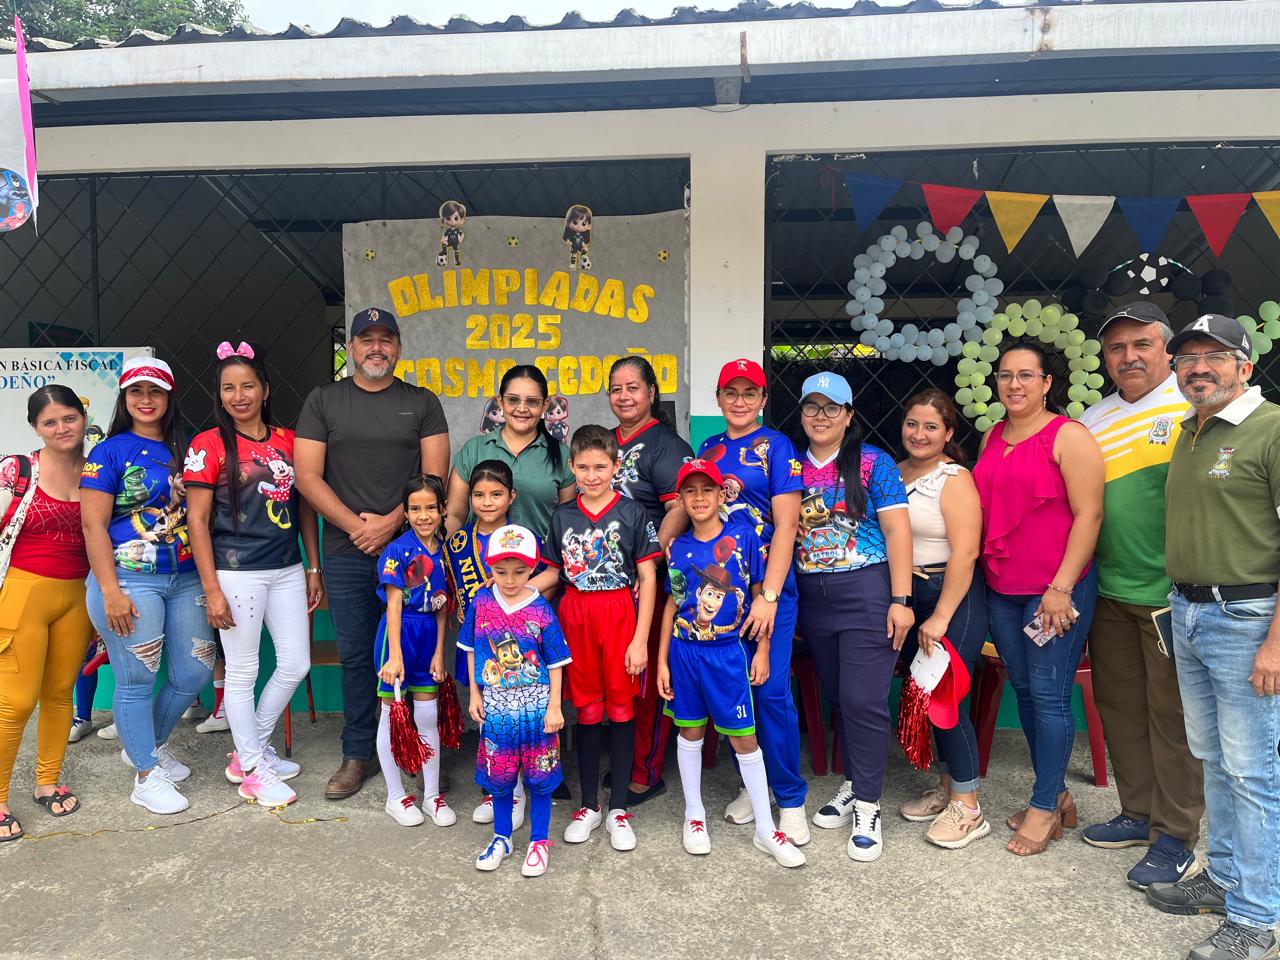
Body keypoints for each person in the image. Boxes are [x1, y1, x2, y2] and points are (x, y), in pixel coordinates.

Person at [1147, 313, 1280, 960]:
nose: (1198, 368)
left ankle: (1255, 918)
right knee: (1216, 760)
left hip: (1247, 619)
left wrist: (1276, 644)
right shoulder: (1190, 429)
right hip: (1191, 613)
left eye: (1215, 356)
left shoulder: (1272, 429)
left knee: (1253, 771)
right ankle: (1224, 880)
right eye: (1187, 358)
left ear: (1245, 366)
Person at [295, 307, 449, 801]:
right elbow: (306, 476)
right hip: (346, 551)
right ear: (352, 348)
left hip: (412, 551)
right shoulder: (324, 400)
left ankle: (419, 754)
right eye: (366, 339)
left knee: (417, 649)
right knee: (359, 655)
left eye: (386, 339)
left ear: (399, 347)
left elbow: (435, 478)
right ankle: (357, 753)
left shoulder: (422, 402)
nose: (376, 347)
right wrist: (356, 526)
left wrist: (389, 523)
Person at [1077, 303, 1204, 889]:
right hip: (1109, 590)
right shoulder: (1093, 419)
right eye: (1116, 348)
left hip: (1170, 596)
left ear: (1167, 351)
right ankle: (1137, 812)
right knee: (1121, 709)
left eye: (1141, 345)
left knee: (1172, 719)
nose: (1128, 357)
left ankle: (1175, 836)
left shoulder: (1193, 408)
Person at [972, 342, 1104, 857]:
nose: (1014, 384)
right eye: (1006, 375)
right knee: (1026, 691)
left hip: (1055, 591)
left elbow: (1090, 515)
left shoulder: (1069, 436)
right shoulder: (991, 436)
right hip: (1003, 588)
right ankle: (1058, 793)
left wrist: (1061, 587)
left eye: (1026, 375)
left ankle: (1044, 806)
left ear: (1048, 383)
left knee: (1049, 695)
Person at [184, 342, 324, 809]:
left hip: (286, 568)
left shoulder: (290, 440)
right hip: (236, 572)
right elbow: (196, 522)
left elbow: (305, 507)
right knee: (243, 671)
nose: (238, 396)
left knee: (295, 663)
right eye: (228, 388)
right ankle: (252, 770)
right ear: (219, 394)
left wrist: (312, 565)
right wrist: (211, 589)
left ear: (265, 389)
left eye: (247, 386)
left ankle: (250, 752)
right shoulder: (207, 445)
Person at [81, 358, 215, 815]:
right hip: (128, 578)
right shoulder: (108, 452)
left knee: (193, 674)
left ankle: (145, 748)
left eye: (155, 391)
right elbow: (93, 526)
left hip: (186, 577)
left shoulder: (187, 448)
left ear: (169, 397)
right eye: (136, 391)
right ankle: (145, 775)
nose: (146, 399)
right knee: (137, 678)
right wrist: (110, 590)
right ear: (124, 399)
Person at [657, 458, 805, 868]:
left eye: (707, 489)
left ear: (721, 494)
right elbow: (672, 605)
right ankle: (694, 815)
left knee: (744, 738)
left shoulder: (744, 537)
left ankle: (765, 829)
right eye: (690, 491)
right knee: (690, 732)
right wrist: (662, 662)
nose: (699, 497)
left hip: (728, 653)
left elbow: (759, 596)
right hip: (685, 654)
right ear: (681, 499)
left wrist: (762, 650)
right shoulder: (678, 548)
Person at [791, 371, 914, 861]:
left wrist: (901, 600)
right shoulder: (790, 464)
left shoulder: (873, 462)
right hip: (812, 595)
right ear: (802, 412)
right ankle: (853, 783)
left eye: (831, 408)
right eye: (812, 407)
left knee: (864, 700)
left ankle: (868, 805)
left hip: (865, 591)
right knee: (840, 696)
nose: (820, 417)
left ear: (848, 415)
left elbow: (898, 532)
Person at [694, 359, 808, 842]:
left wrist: (771, 597)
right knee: (734, 690)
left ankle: (791, 796)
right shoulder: (708, 447)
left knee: (771, 691)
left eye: (749, 393)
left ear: (762, 399)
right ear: (718, 398)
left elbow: (787, 525)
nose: (739, 401)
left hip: (767, 589)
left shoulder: (778, 447)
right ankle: (753, 784)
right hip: (722, 590)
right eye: (730, 392)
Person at [533, 424, 659, 852]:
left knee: (621, 708)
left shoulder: (633, 513)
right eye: (583, 467)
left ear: (615, 466)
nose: (591, 476)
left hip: (619, 613)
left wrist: (640, 639)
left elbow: (647, 576)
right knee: (587, 711)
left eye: (600, 467)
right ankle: (589, 806)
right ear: (571, 467)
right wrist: (513, 593)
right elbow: (553, 573)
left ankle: (618, 808)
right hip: (576, 614)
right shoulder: (563, 516)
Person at [895, 388, 990, 850]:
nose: (920, 434)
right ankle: (949, 788)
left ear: (948, 433)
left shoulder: (954, 479)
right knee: (928, 695)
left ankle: (969, 808)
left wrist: (941, 617)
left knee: (945, 701)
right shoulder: (894, 472)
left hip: (950, 597)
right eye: (912, 423)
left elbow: (966, 553)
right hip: (910, 595)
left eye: (931, 426)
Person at [0, 386, 94, 841]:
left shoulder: (97, 471)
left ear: (83, 418)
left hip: (77, 596)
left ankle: (47, 781)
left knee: (59, 694)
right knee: (15, 702)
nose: (62, 428)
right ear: (35, 428)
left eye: (69, 418)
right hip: (23, 593)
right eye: (50, 422)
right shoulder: (17, 469)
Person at [460, 524, 570, 877]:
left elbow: (555, 662)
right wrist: (474, 693)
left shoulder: (541, 609)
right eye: (501, 571)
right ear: (489, 567)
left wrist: (555, 706)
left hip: (537, 709)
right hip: (496, 708)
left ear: (533, 567)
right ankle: (502, 837)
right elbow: (471, 650)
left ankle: (539, 841)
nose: (509, 579)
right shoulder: (481, 603)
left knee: (540, 778)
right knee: (500, 776)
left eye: (519, 571)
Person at [608, 355, 694, 804]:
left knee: (644, 681)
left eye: (633, 388)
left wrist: (650, 560)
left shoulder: (666, 445)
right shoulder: (605, 442)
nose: (624, 396)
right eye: (616, 388)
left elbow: (679, 508)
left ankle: (646, 771)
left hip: (647, 580)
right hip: (606, 582)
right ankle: (626, 760)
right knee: (618, 675)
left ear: (651, 393)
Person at [445, 459, 532, 827]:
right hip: (479, 647)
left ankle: (517, 793)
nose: (487, 502)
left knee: (515, 719)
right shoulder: (458, 543)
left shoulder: (522, 537)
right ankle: (496, 790)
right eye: (478, 495)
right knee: (486, 719)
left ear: (511, 496)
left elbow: (543, 582)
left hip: (516, 646)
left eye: (496, 494)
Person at [373, 475, 453, 828]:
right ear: (405, 512)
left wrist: (439, 652)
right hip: (399, 634)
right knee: (392, 716)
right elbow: (393, 604)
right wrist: (395, 655)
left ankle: (431, 796)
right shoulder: (398, 550)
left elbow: (442, 606)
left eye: (431, 508)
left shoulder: (445, 552)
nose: (424, 516)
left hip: (428, 638)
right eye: (415, 509)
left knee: (427, 716)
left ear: (443, 510)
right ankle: (395, 796)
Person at [446, 364, 574, 540]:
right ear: (500, 402)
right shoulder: (473, 450)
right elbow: (454, 516)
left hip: (541, 557)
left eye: (532, 401)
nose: (522, 408)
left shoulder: (562, 455)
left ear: (545, 405)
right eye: (513, 400)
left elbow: (566, 523)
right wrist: (444, 552)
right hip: (479, 556)